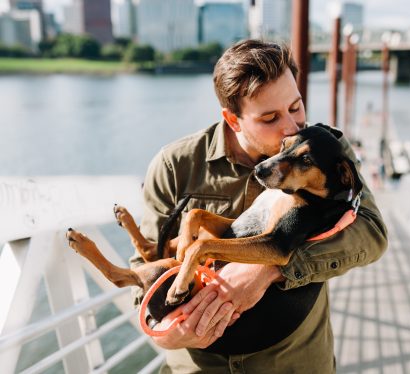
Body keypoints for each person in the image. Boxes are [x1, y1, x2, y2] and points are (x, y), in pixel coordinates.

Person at [130, 39, 387, 374]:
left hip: (294, 364)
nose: (291, 128)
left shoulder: (327, 149)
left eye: (296, 107)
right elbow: (142, 268)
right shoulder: (174, 165)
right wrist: (165, 332)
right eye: (269, 118)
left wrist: (269, 267)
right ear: (233, 120)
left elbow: (372, 233)